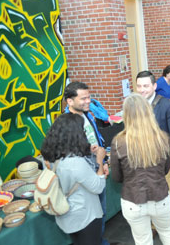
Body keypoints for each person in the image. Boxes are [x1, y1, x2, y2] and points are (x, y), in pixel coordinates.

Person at [110, 94, 170, 245]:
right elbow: (166, 168)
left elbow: (116, 177)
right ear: (149, 112)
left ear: (126, 115)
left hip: (132, 199)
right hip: (159, 195)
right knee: (168, 232)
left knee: (143, 240)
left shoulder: (118, 142)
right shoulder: (162, 138)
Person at [40, 113, 106, 245]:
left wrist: (86, 151)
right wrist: (99, 160)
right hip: (85, 216)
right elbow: (98, 186)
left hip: (66, 217)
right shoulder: (75, 163)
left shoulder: (49, 157)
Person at [135, 70, 170, 236]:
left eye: (146, 86)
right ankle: (155, 226)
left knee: (168, 196)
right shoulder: (136, 105)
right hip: (143, 161)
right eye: (139, 86)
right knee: (150, 197)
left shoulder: (167, 106)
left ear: (154, 86)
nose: (142, 89)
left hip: (164, 162)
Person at [64, 81, 109, 245]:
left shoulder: (88, 115)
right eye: (83, 98)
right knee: (90, 217)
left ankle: (100, 240)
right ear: (70, 101)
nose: (88, 101)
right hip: (83, 180)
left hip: (97, 170)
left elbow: (96, 139)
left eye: (89, 97)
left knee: (101, 212)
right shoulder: (65, 124)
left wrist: (103, 162)